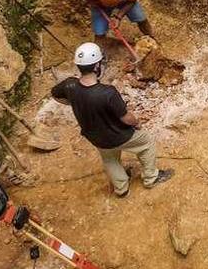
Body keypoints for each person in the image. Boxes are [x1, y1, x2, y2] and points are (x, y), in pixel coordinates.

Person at [51, 42, 173, 197]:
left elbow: (55, 93)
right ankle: (151, 178)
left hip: (95, 137)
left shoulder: (70, 85)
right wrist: (137, 123)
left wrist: (73, 101)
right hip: (119, 136)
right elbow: (126, 118)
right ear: (96, 66)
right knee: (146, 142)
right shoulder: (107, 93)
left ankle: (121, 189)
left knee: (109, 158)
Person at [71, 0, 154, 51]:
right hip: (101, 3)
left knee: (142, 19)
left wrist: (118, 17)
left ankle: (152, 41)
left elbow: (132, 1)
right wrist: (90, 0)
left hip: (125, 3)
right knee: (99, 33)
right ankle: (98, 56)